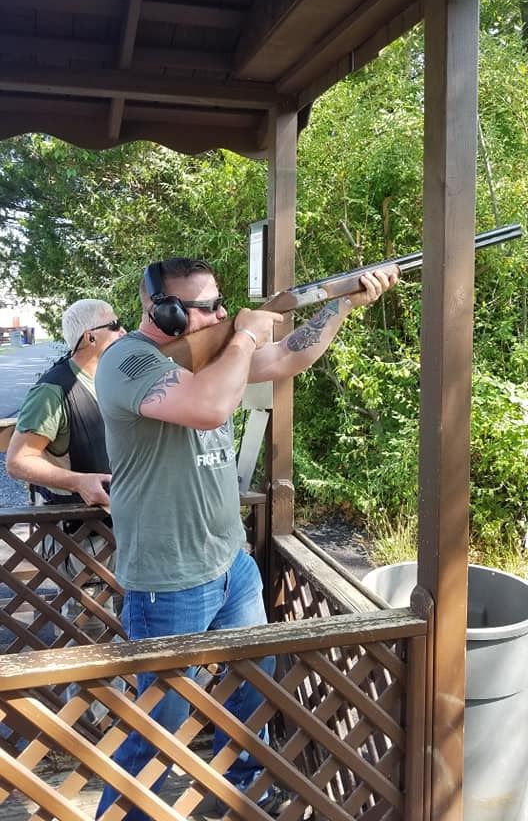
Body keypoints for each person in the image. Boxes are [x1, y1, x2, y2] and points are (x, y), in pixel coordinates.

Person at [94, 257, 397, 821]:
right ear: (162, 310)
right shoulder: (126, 360)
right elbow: (208, 408)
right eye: (206, 306)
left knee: (253, 691)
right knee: (159, 722)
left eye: (221, 302)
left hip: (231, 563)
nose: (221, 314)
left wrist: (341, 304)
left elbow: (289, 357)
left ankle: (242, 795)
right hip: (169, 577)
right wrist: (247, 335)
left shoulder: (214, 354)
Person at [6, 299, 127, 659]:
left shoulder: (112, 379)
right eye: (115, 325)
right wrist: (78, 482)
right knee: (91, 640)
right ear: (90, 337)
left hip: (121, 529)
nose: (123, 331)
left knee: (129, 631)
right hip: (82, 537)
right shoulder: (53, 389)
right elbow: (18, 460)